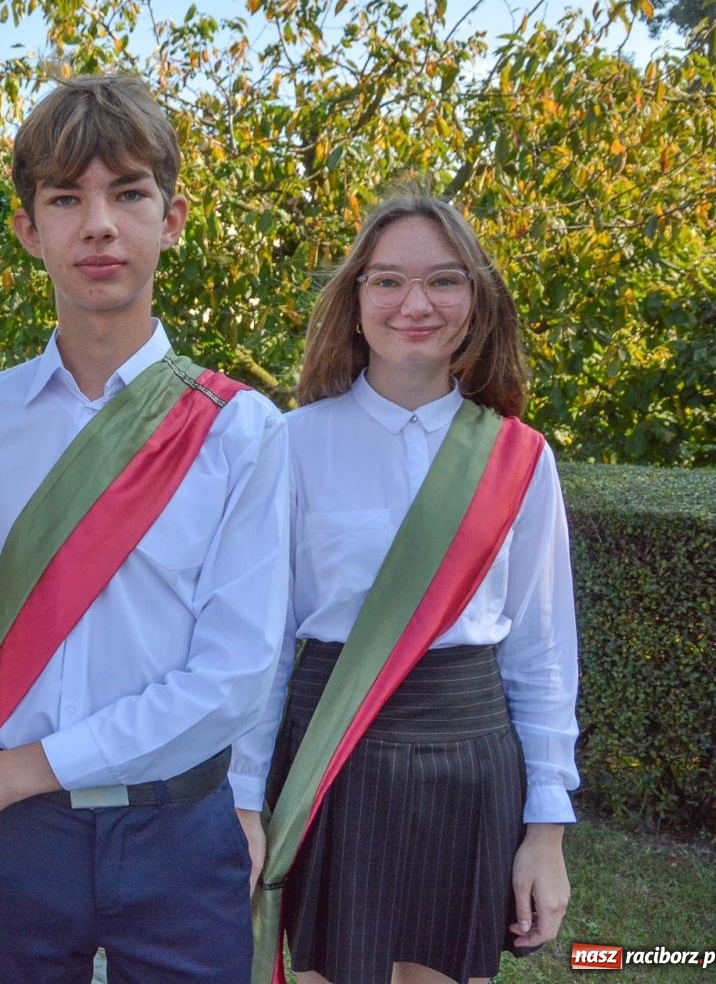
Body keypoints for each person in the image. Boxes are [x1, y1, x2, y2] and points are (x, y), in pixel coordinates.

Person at [0, 74, 290, 981]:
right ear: (31, 228)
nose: (100, 224)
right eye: (66, 198)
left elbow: (231, 683)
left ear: (174, 217)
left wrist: (3, 776)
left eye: (128, 193)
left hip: (176, 831)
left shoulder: (241, 429)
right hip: (12, 849)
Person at [230, 194, 579, 984]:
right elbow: (263, 647)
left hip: (470, 764)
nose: (415, 304)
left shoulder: (520, 458)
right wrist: (246, 804)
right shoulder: (294, 443)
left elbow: (542, 651)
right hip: (332, 757)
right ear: (355, 303)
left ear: (475, 301)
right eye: (387, 281)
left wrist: (546, 831)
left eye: (444, 281)